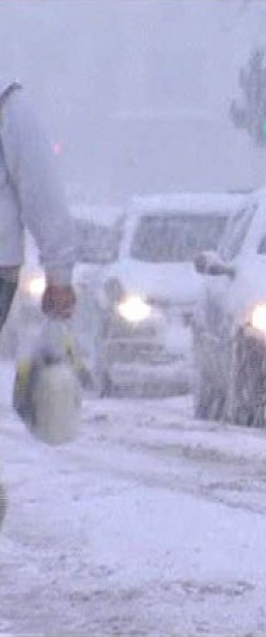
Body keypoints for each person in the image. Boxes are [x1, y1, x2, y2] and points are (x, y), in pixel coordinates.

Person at [0, 80, 77, 530]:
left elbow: (41, 189)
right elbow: (42, 188)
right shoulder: (10, 105)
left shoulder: (8, 104)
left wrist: (59, 271)